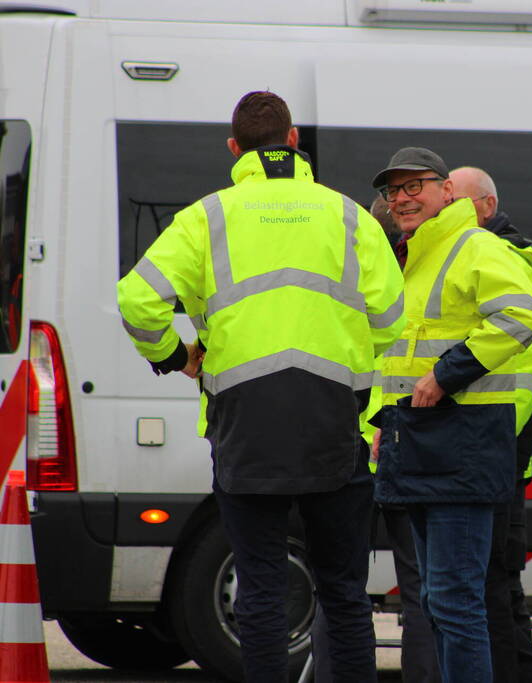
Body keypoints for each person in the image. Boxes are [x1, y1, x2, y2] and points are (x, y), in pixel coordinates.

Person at [117, 91, 405, 683]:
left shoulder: (206, 217)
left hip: (244, 425)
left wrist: (176, 355)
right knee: (345, 594)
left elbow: (136, 299)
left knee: (262, 590)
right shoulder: (349, 215)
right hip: (334, 422)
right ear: (294, 139)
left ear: (234, 148)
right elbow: (392, 319)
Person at [371, 147, 532, 683]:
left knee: (454, 603)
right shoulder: (415, 256)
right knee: (439, 601)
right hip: (422, 444)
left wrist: (447, 376)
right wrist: (384, 424)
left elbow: (522, 315)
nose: (401, 199)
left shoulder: (473, 244)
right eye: (393, 190)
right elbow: (401, 358)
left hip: (462, 447)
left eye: (414, 186)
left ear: (447, 191)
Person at [310, 198, 441, 683]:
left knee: (339, 587)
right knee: (420, 589)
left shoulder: (335, 283)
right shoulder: (422, 280)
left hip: (347, 446)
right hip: (405, 444)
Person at [450, 166, 532, 683]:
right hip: (494, 452)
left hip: (493, 453)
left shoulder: (499, 261)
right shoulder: (490, 256)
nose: (446, 210)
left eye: (457, 200)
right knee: (498, 595)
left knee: (492, 595)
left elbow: (524, 372)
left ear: (486, 208)